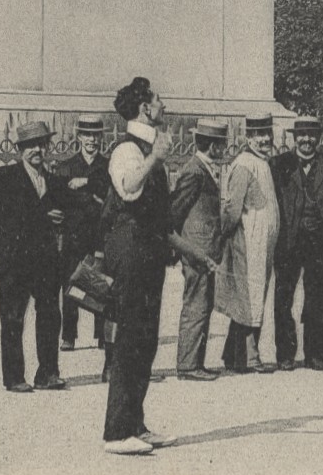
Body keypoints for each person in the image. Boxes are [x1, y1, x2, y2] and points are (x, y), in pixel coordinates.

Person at [101, 78, 214, 455]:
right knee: (129, 341)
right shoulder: (127, 150)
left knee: (145, 343)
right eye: (158, 100)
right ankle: (116, 433)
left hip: (147, 253)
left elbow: (160, 225)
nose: (164, 105)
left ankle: (135, 425)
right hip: (130, 253)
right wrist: (156, 159)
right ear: (144, 108)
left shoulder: (149, 149)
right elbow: (128, 187)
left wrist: (193, 253)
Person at [0, 121, 71, 394]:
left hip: (45, 262)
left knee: (50, 317)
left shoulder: (52, 182)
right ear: (20, 150)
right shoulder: (4, 178)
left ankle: (48, 373)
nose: (37, 151)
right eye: (31, 146)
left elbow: (74, 207)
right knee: (12, 319)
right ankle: (14, 377)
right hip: (13, 260)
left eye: (42, 145)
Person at [270, 117, 323, 371]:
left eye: (312, 135)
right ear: (294, 137)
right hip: (288, 241)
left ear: (320, 138)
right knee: (283, 298)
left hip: (319, 242)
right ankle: (286, 354)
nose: (307, 140)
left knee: (317, 299)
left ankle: (315, 353)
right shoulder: (280, 164)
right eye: (302, 135)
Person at [218, 115, 280, 374]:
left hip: (262, 243)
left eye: (266, 132)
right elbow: (232, 209)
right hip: (248, 240)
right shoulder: (244, 163)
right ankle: (248, 356)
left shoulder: (261, 162)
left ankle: (233, 355)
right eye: (258, 134)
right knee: (250, 297)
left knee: (255, 295)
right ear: (247, 137)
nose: (264, 138)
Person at [171, 119, 228, 381]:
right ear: (214, 146)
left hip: (205, 250)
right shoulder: (194, 171)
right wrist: (188, 249)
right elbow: (175, 213)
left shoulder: (203, 168)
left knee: (203, 305)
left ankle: (195, 363)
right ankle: (188, 365)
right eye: (222, 143)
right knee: (196, 305)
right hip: (197, 251)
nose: (225, 148)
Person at [56, 115, 112, 351]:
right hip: (74, 235)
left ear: (101, 137)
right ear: (78, 137)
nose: (91, 140)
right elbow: (62, 196)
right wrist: (92, 196)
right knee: (70, 284)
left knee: (101, 283)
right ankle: (69, 334)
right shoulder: (66, 166)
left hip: (100, 235)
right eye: (87, 134)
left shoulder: (108, 165)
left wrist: (86, 183)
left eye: (96, 135)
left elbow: (109, 193)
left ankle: (101, 334)